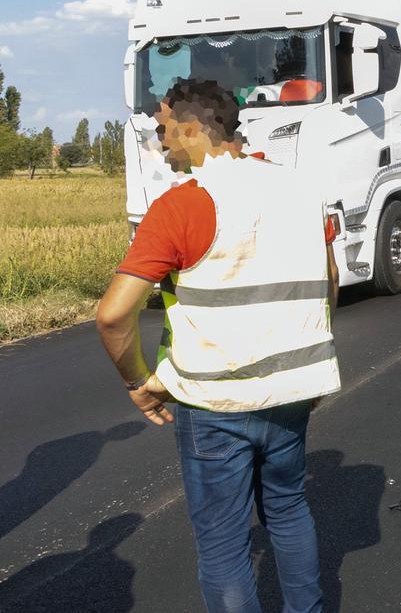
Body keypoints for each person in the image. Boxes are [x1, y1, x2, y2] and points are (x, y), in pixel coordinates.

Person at [96, 77, 341, 613]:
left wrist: (140, 383)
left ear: (191, 128)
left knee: (224, 547)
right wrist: (310, 362)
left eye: (163, 129)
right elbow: (327, 282)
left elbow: (113, 314)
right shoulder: (301, 190)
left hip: (213, 405)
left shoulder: (182, 204)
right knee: (290, 509)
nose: (160, 142)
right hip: (292, 393)